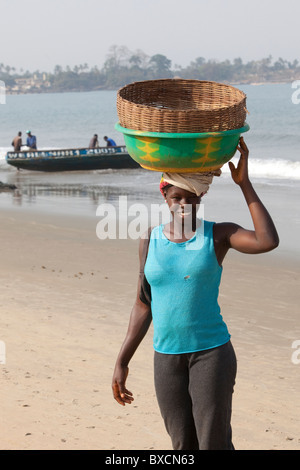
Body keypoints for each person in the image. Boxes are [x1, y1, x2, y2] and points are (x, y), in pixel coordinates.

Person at [111, 138, 279, 450]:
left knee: (212, 444)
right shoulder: (149, 240)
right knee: (181, 445)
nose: (185, 206)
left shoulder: (218, 235)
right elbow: (143, 304)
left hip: (211, 354)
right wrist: (122, 360)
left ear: (201, 198)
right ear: (164, 195)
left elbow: (267, 241)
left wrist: (244, 183)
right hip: (166, 358)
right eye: (177, 198)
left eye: (193, 200)